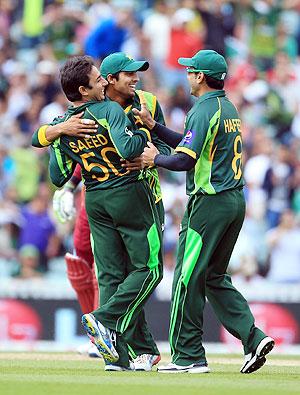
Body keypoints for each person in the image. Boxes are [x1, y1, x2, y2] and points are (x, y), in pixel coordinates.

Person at [134, 49, 275, 374]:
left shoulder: (202, 110)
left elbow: (184, 159)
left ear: (199, 76)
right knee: (212, 276)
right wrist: (154, 126)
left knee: (185, 278)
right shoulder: (227, 108)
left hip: (208, 203)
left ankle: (187, 356)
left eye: (190, 70)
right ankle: (253, 338)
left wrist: (153, 159)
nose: (186, 75)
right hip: (233, 201)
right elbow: (188, 142)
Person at [32, 52, 170, 371]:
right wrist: (139, 141)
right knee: (148, 270)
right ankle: (103, 320)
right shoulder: (108, 108)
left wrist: (57, 133)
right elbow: (128, 149)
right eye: (98, 81)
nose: (102, 86)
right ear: (91, 86)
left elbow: (57, 174)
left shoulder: (64, 123)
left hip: (96, 197)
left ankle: (122, 356)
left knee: (111, 276)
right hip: (130, 193)